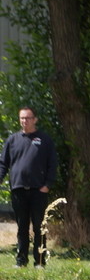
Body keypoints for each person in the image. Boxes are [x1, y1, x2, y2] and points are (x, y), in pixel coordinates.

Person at [2, 107, 56, 267]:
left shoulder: (44, 140)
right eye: (22, 118)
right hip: (18, 190)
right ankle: (21, 261)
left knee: (39, 226)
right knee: (22, 227)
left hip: (38, 191)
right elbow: (3, 164)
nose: (24, 121)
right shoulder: (13, 140)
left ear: (35, 119)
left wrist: (47, 185)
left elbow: (52, 165)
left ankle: (39, 261)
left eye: (28, 118)